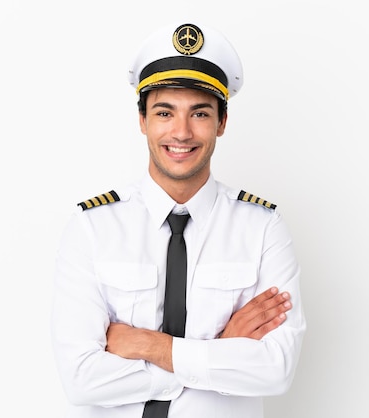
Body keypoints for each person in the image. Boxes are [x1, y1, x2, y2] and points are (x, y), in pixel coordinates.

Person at [51, 22, 306, 418]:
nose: (181, 132)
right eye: (164, 112)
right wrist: (217, 352)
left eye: (200, 113)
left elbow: (276, 370)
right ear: (143, 121)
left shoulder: (263, 228)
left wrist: (150, 347)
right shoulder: (92, 227)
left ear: (222, 122)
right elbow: (80, 378)